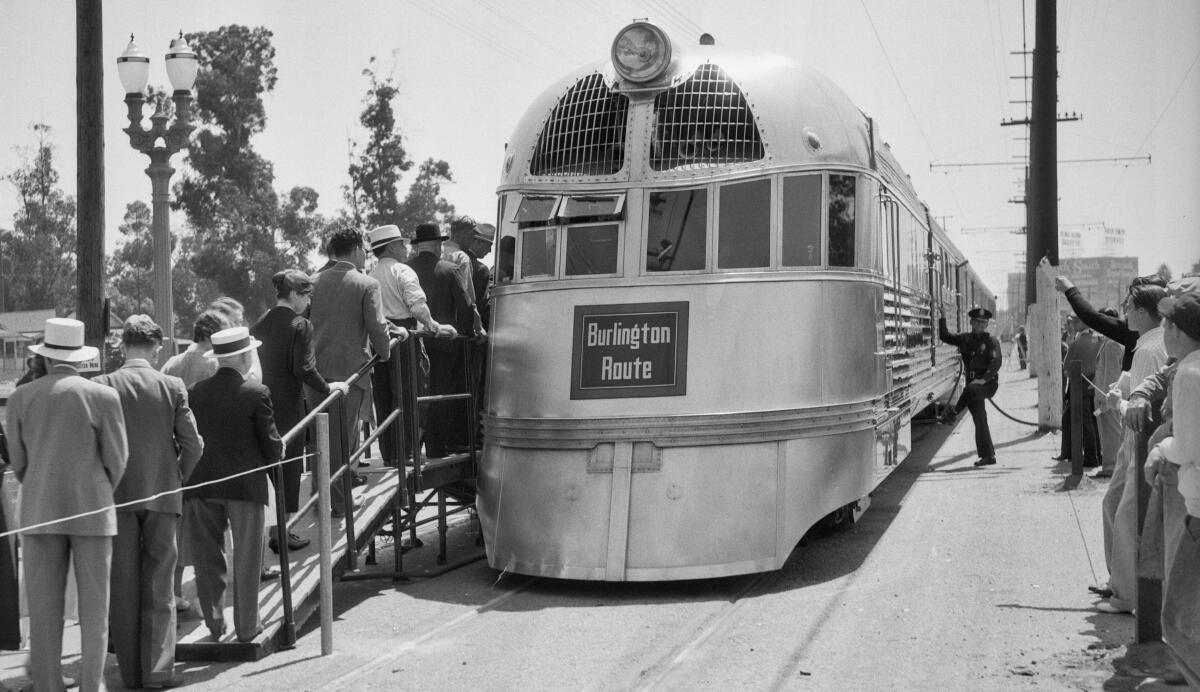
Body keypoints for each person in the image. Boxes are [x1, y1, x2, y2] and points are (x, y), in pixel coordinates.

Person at [8, 318, 128, 692]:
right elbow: (118, 459)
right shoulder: (102, 396)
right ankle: (92, 686)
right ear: (79, 358)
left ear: (43, 358)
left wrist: (43, 482)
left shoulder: (20, 398)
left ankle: (48, 686)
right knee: (95, 612)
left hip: (40, 510)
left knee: (44, 612)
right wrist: (98, 489)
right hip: (93, 510)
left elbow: (18, 459)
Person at [95, 315, 203, 689]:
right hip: (163, 494)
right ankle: (157, 671)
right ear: (157, 347)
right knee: (160, 584)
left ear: (123, 345)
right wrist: (178, 478)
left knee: (122, 586)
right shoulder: (172, 386)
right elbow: (194, 444)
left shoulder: (102, 385)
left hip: (116, 498)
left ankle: (129, 673)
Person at [185, 326, 282, 643]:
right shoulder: (257, 393)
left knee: (206, 558)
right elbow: (272, 445)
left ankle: (214, 624)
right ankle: (247, 625)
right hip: (244, 486)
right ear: (242, 356)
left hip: (201, 484)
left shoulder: (195, 391)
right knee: (247, 555)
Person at [308, 227, 404, 516]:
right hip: (350, 373)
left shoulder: (311, 282)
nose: (366, 254)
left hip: (313, 374)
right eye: (364, 249)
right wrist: (386, 351)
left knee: (320, 438)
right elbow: (376, 328)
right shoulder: (365, 283)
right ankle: (338, 503)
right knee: (343, 439)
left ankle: (319, 498)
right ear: (355, 250)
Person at [252, 269, 348, 551]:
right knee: (290, 468)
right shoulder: (300, 325)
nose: (309, 302)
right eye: (307, 296)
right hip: (288, 406)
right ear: (294, 294)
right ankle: (282, 533)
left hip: (262, 403)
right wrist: (329, 387)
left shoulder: (259, 323)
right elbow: (303, 368)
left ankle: (268, 533)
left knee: (269, 470)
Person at [1096, 282, 1169, 614]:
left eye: (1128, 306)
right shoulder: (1150, 344)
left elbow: (1144, 411)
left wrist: (1120, 402)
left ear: (1141, 312)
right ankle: (1121, 585)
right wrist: (1123, 389)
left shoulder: (1149, 349)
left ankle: (1127, 595)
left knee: (1125, 514)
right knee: (1116, 507)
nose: (1124, 312)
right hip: (1137, 445)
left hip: (1139, 444)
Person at [1143, 291, 1200, 686]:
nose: (1162, 331)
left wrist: (1160, 447)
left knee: (1176, 616)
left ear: (1178, 331)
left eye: (1165, 325)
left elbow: (1186, 447)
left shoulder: (1190, 374)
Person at [366, 225, 453, 467]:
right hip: (404, 335)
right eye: (401, 244)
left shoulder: (370, 276)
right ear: (392, 247)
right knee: (409, 393)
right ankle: (407, 452)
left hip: (377, 338)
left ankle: (390, 454)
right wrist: (434, 326)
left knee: (383, 396)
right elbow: (416, 305)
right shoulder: (402, 270)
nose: (405, 248)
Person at [161, 308, 229, 611]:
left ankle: (174, 595)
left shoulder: (172, 363)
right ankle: (210, 603)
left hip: (177, 456)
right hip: (211, 456)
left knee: (176, 532)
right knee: (210, 535)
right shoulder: (215, 364)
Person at [407, 222, 474, 458]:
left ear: (417, 247)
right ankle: (437, 448)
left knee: (414, 395)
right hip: (445, 344)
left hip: (413, 345)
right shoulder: (449, 269)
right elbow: (465, 307)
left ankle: (411, 448)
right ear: (438, 245)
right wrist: (469, 332)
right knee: (442, 394)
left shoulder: (404, 269)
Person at [937, 307, 1003, 466]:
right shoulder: (965, 339)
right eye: (977, 322)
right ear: (971, 322)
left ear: (987, 325)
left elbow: (996, 362)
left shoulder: (991, 341)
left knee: (971, 390)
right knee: (980, 418)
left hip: (987, 384)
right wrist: (943, 317)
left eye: (983, 322)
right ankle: (988, 456)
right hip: (972, 386)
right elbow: (945, 336)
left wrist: (984, 379)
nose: (980, 325)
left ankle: (952, 414)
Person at [1053, 315, 1101, 466]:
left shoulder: (1077, 343)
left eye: (1074, 322)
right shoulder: (1098, 340)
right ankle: (1073, 453)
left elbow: (1066, 369)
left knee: (1085, 423)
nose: (1072, 325)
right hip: (1095, 387)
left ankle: (1091, 458)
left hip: (1079, 388)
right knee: (1090, 422)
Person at [1093, 308, 1125, 479]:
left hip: (1107, 396)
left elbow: (1112, 374)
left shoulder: (1112, 344)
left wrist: (1105, 397)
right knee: (1107, 431)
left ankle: (1111, 467)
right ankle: (1110, 464)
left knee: (1111, 431)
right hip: (1104, 393)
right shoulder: (1109, 341)